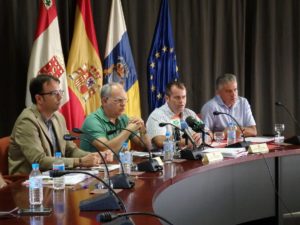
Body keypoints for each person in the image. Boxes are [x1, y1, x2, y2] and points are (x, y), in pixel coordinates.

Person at [8, 75, 112, 175]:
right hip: (28, 182)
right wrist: (80, 161)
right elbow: (38, 161)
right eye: (54, 93)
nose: (60, 96)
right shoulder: (27, 121)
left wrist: (94, 156)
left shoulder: (58, 117)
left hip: (55, 175)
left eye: (60, 92)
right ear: (39, 99)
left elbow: (70, 150)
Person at [80, 82, 152, 153]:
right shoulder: (92, 121)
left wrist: (142, 129)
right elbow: (106, 150)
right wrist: (127, 130)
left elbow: (147, 146)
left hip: (119, 163)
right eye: (119, 100)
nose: (123, 104)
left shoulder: (124, 118)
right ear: (104, 101)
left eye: (125, 100)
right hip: (97, 164)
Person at [146, 81, 205, 149]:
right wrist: (186, 141)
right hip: (167, 157)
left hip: (191, 154)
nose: (181, 101)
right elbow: (160, 141)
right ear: (167, 98)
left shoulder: (189, 113)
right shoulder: (157, 115)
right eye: (177, 97)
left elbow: (207, 132)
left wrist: (200, 136)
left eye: (183, 97)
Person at [200, 73, 257, 137]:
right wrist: (223, 134)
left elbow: (253, 131)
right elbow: (204, 136)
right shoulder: (210, 107)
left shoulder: (243, 103)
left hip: (240, 144)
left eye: (235, 90)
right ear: (218, 92)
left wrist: (236, 129)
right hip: (220, 146)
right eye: (229, 91)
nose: (233, 94)